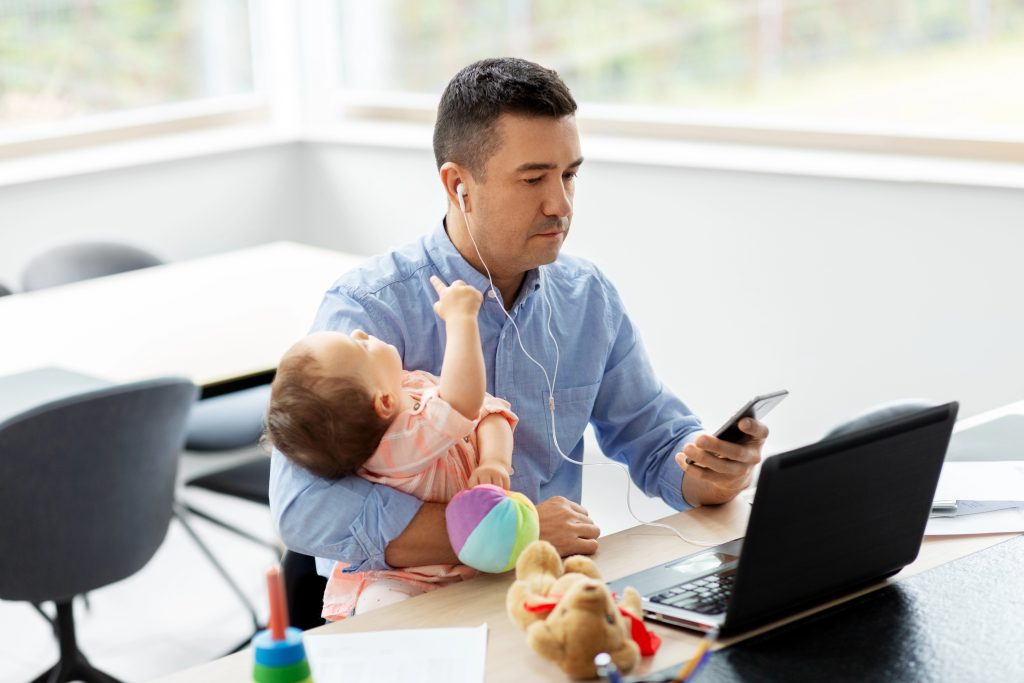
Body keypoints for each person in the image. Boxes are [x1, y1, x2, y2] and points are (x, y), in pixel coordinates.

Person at [270, 56, 769, 582]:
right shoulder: (370, 312)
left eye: (570, 175)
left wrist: (708, 477)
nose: (561, 204)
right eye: (533, 179)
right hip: (416, 609)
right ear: (458, 184)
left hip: (545, 591)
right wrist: (513, 531)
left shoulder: (586, 296)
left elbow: (656, 439)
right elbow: (304, 509)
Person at [265, 276, 518, 617]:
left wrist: (495, 461)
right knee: (384, 613)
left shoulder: (413, 387)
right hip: (404, 579)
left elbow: (489, 412)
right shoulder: (394, 447)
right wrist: (461, 320)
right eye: (360, 347)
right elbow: (465, 402)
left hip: (462, 565)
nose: (358, 332)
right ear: (382, 401)